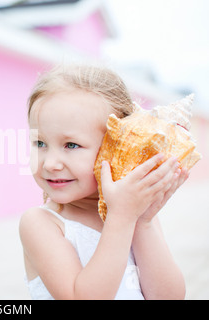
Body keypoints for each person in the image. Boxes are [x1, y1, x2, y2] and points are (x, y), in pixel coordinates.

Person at [20, 64, 189, 300]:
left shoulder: (135, 214)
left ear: (115, 148)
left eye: (71, 145)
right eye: (40, 143)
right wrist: (121, 219)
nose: (50, 163)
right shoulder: (42, 224)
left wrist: (142, 222)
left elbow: (169, 297)